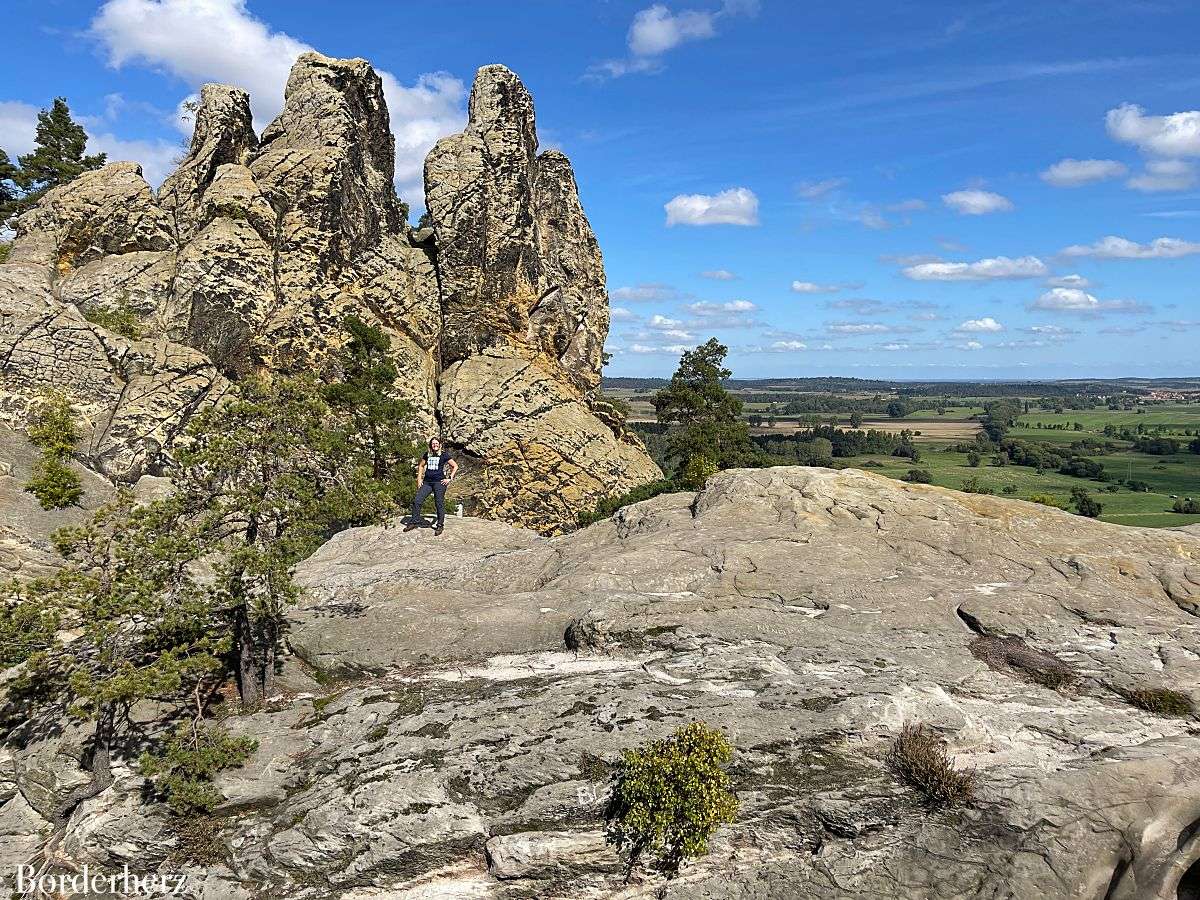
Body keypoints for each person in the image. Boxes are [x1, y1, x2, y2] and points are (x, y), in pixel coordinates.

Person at [404, 437, 458, 534]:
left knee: (439, 503)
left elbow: (455, 466)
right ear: (430, 445)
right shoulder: (427, 454)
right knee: (417, 501)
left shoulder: (444, 455)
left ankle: (440, 525)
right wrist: (419, 479)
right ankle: (414, 521)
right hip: (427, 483)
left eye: (436, 443)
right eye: (433, 443)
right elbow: (421, 466)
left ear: (439, 445)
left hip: (439, 483)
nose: (435, 445)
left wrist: (449, 478)